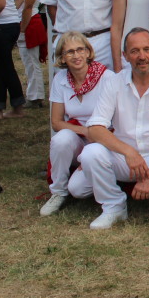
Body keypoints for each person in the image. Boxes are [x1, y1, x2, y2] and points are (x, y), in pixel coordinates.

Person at [71, 28, 149, 229]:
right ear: (125, 56)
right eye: (135, 51)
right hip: (123, 157)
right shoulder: (114, 83)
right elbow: (95, 128)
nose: (142, 56)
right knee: (80, 181)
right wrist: (129, 152)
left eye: (147, 49)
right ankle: (114, 206)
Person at [40, 32, 114, 216]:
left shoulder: (107, 78)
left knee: (78, 190)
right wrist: (84, 130)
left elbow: (119, 121)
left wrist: (94, 138)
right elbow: (56, 122)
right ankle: (57, 192)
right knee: (61, 139)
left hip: (106, 138)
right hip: (80, 136)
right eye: (69, 52)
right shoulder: (60, 79)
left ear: (88, 52)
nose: (76, 55)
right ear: (63, 58)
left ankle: (108, 188)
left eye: (80, 49)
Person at [16, 0, 47, 106]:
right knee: (28, 61)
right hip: (27, 19)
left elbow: (28, 6)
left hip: (31, 21)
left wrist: (22, 28)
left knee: (31, 61)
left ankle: (36, 96)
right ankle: (33, 94)